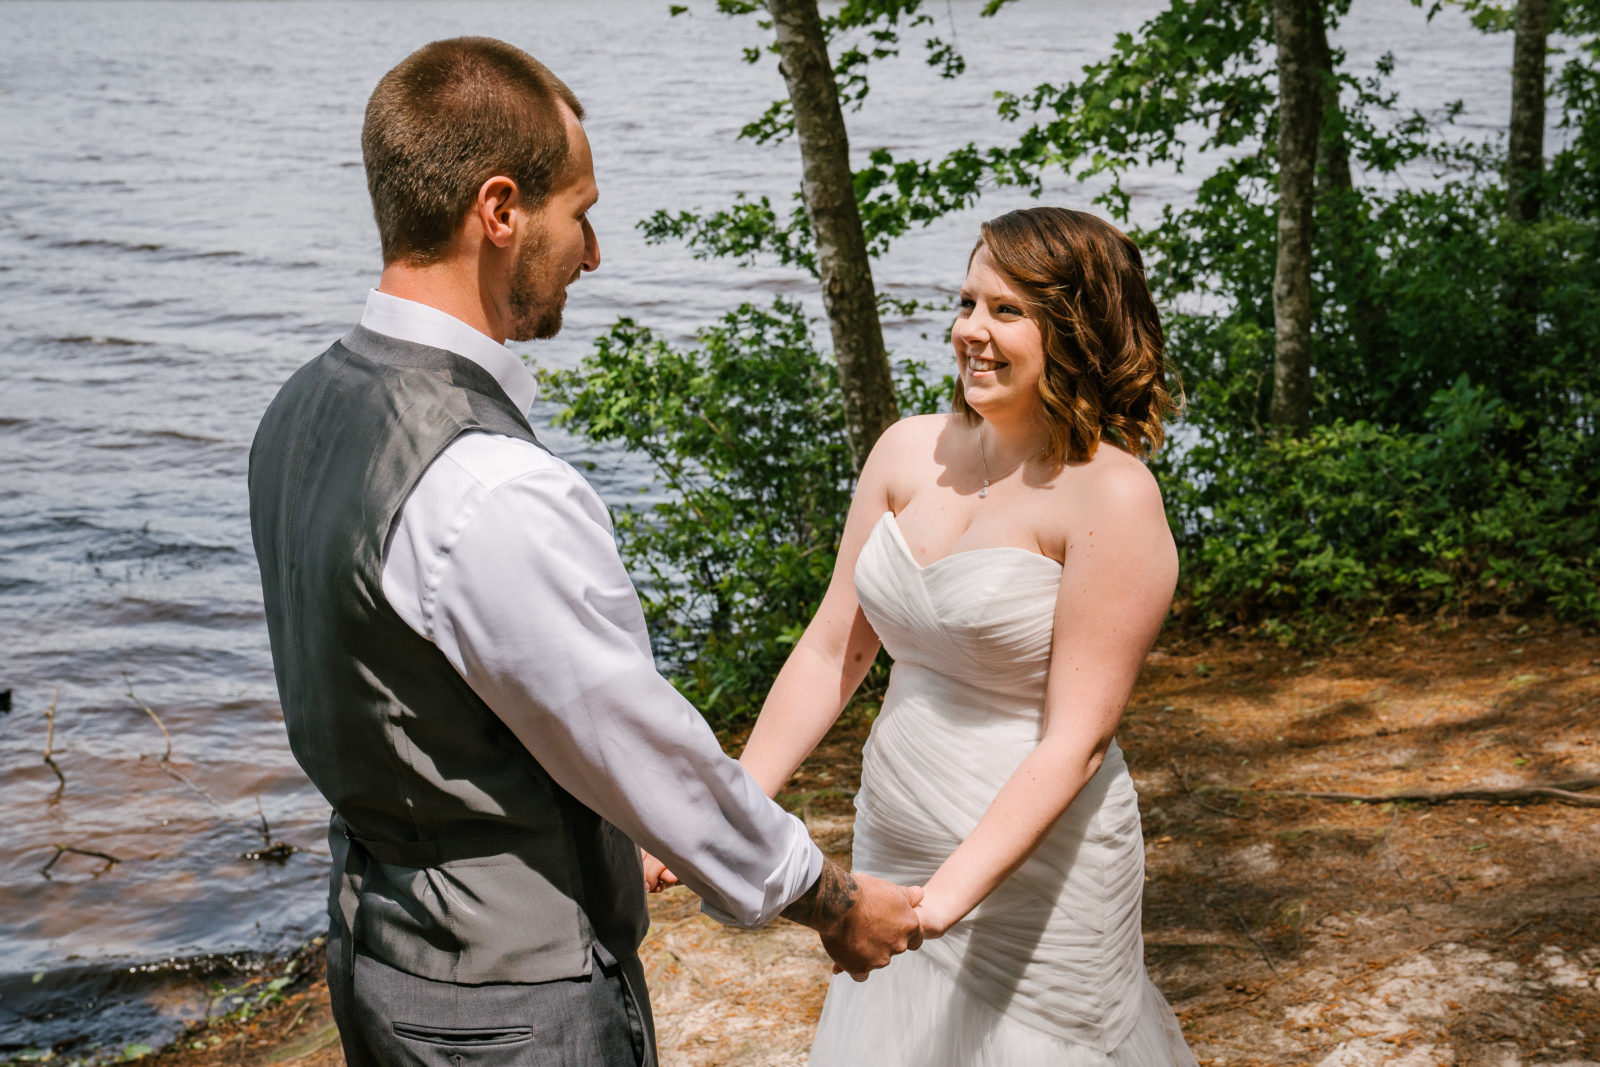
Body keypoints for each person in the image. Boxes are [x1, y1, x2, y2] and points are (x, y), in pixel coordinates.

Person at [247, 37, 921, 1067]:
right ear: (501, 210)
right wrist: (827, 901)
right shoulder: (489, 483)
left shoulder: (300, 407)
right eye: (582, 212)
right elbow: (632, 736)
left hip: (376, 959)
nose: (595, 251)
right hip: (510, 1010)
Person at [698, 206, 1198, 1063]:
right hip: (895, 829)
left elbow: (1075, 741)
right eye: (967, 303)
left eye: (1006, 311)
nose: (970, 330)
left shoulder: (1110, 496)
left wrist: (935, 905)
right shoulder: (904, 453)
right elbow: (831, 652)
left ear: (1077, 329)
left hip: (1037, 867)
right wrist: (725, 814)